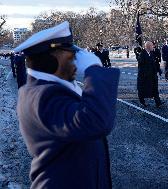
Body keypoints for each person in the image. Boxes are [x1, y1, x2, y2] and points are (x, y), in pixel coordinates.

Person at [14, 21, 120, 189]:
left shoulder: (48, 87)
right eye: (71, 58)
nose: (76, 64)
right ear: (52, 60)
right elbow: (95, 121)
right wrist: (94, 70)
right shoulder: (41, 96)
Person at [137, 41, 164, 108]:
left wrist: (158, 70)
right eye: (152, 46)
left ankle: (158, 102)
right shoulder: (142, 54)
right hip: (144, 76)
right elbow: (141, 66)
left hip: (153, 75)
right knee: (142, 89)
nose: (153, 47)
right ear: (148, 47)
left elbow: (154, 63)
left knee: (155, 89)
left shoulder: (152, 53)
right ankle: (142, 102)